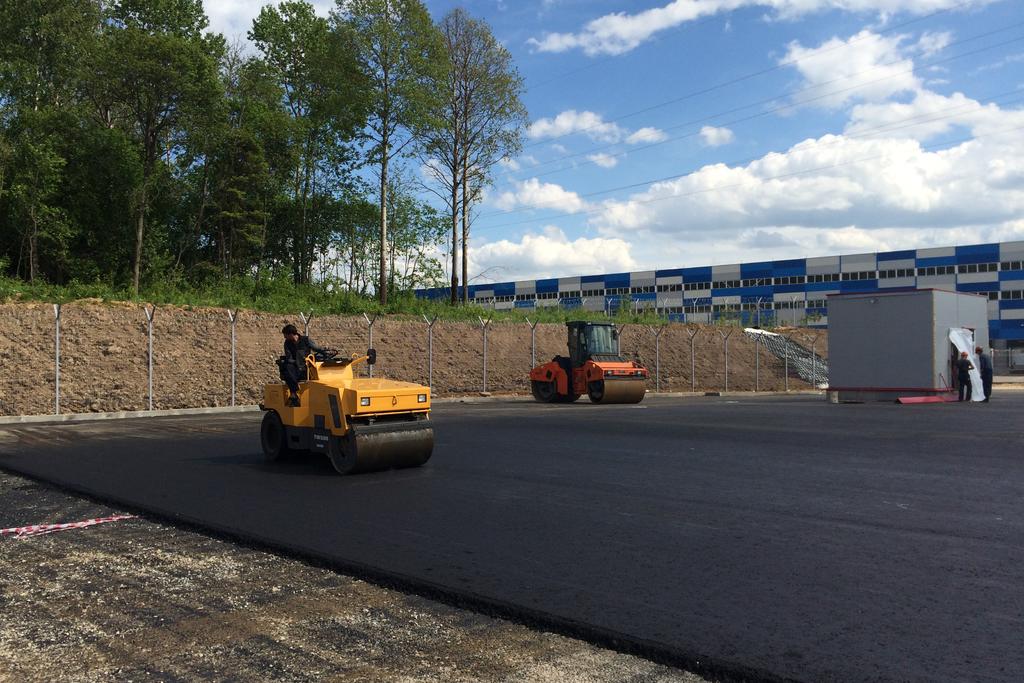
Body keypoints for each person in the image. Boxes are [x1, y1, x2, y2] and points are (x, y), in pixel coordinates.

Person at [279, 324, 328, 407]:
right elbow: (289, 357)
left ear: (291, 334)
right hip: (295, 366)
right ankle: (294, 392)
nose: (284, 337)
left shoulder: (305, 340)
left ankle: (294, 394)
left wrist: (325, 353)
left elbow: (317, 348)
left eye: (285, 335)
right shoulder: (287, 343)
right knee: (287, 368)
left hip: (307, 366)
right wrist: (297, 362)